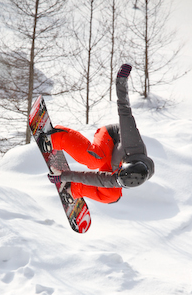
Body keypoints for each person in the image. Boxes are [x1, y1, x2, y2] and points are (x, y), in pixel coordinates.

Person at [41, 64, 155, 204]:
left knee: (112, 195)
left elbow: (96, 179)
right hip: (111, 137)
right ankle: (58, 138)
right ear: (125, 165)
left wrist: (63, 176)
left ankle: (75, 190)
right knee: (95, 160)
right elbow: (124, 109)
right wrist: (121, 81)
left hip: (113, 161)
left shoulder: (126, 177)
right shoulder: (131, 142)